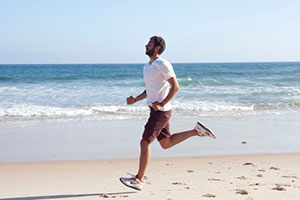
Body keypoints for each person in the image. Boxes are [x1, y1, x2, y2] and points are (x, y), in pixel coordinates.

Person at [119, 36, 216, 191]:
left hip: (161, 112)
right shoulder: (147, 66)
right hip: (157, 111)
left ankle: (139, 180)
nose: (146, 45)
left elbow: (176, 87)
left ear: (157, 48)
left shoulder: (163, 64)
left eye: (149, 44)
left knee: (145, 142)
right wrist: (135, 99)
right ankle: (197, 131)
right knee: (166, 143)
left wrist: (162, 104)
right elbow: (150, 90)